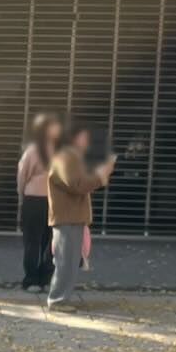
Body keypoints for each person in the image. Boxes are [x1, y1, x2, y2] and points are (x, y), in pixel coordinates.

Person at [47, 121, 114, 309]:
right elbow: (77, 185)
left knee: (69, 261)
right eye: (84, 136)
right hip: (67, 217)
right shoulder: (64, 158)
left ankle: (60, 298)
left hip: (71, 216)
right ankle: (58, 300)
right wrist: (100, 176)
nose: (87, 140)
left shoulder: (70, 157)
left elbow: (78, 183)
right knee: (65, 262)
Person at [17, 113, 61, 291]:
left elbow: (22, 174)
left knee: (32, 240)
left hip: (33, 199)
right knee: (50, 241)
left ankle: (31, 279)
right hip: (54, 200)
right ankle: (46, 278)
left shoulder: (32, 150)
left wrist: (21, 193)